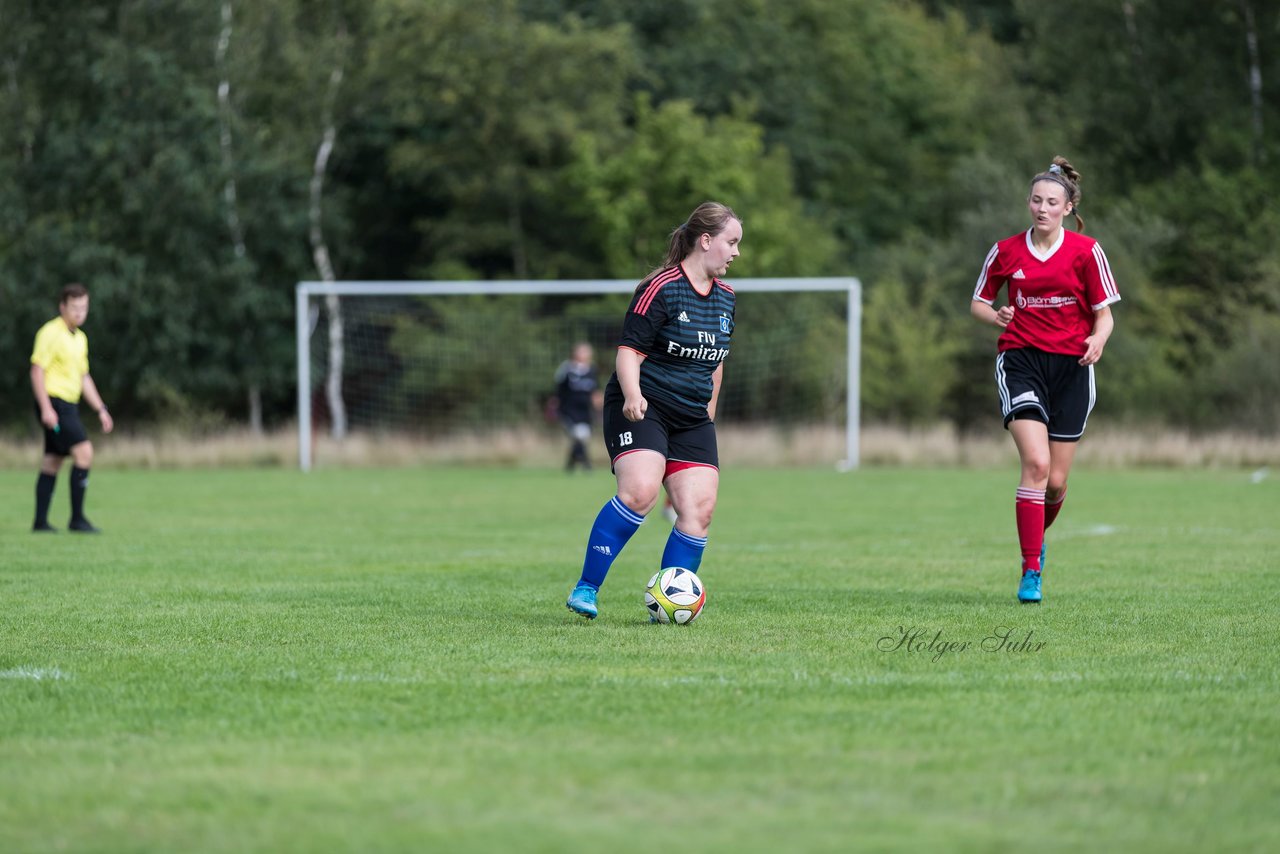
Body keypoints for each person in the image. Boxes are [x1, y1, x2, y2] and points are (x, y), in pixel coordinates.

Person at [565, 202, 741, 619]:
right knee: (640, 492)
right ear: (705, 240)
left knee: (699, 511)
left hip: (692, 417)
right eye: (731, 242)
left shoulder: (727, 298)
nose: (735, 252)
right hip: (644, 406)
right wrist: (630, 394)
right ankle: (586, 588)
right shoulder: (661, 286)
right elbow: (628, 351)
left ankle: (667, 601)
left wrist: (708, 415)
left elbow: (715, 363)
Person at [971, 157, 1120, 603]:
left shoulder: (1087, 251)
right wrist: (995, 315)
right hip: (1021, 361)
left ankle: (1038, 541)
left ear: (1067, 206)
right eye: (1036, 200)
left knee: (1055, 483)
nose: (1042, 208)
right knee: (1035, 466)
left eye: (1051, 201)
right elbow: (979, 302)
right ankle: (1031, 568)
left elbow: (1105, 315)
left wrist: (1098, 338)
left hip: (1072, 369)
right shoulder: (1005, 250)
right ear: (1028, 203)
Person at [30, 283, 114, 533]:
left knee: (52, 461)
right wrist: (46, 408)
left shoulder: (80, 338)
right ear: (63, 307)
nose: (80, 312)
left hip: (69, 405)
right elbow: (37, 371)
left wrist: (101, 409)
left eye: (84, 307)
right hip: (55, 404)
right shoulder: (50, 333)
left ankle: (40, 523)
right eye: (75, 307)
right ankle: (77, 519)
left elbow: (83, 377)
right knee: (84, 453)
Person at [553, 342, 603, 472]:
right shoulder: (566, 369)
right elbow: (558, 390)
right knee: (578, 435)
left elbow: (595, 390)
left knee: (582, 437)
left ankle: (570, 465)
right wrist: (555, 405)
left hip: (585, 410)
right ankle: (587, 464)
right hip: (569, 409)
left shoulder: (592, 369)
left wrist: (598, 403)